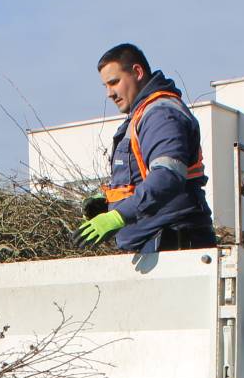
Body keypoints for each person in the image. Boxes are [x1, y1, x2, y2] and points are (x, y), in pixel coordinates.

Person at [76, 42, 216, 253]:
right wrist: (110, 204)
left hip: (172, 247)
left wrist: (118, 216)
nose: (109, 94)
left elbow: (167, 178)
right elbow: (143, 182)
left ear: (138, 72)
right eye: (105, 86)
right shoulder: (142, 115)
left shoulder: (160, 115)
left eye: (114, 82)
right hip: (157, 247)